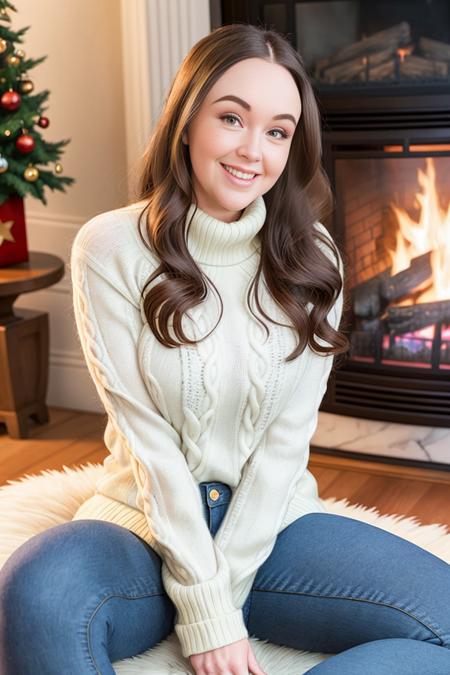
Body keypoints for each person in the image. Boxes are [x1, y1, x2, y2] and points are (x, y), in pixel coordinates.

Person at [1, 21, 450, 675]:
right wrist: (205, 610)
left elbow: (281, 449)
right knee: (36, 588)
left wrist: (218, 606)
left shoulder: (314, 259)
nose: (253, 151)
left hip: (274, 531)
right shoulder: (110, 248)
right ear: (186, 121)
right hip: (140, 525)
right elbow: (149, 441)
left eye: (277, 130)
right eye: (231, 118)